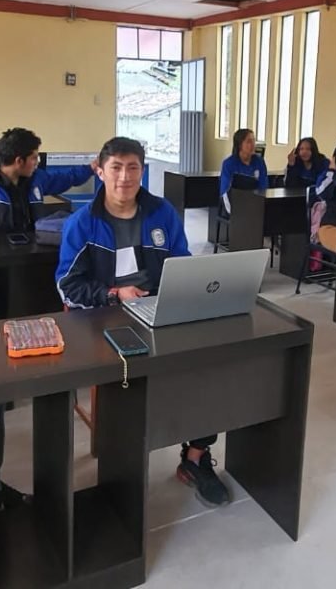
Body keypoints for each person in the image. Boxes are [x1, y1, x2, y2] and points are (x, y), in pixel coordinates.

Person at [54, 137, 231, 507]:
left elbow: (181, 263)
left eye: (132, 167)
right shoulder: (82, 224)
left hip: (157, 310)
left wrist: (184, 294)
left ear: (142, 171)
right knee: (129, 380)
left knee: (209, 361)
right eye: (116, 168)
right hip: (103, 317)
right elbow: (68, 286)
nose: (124, 177)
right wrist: (114, 294)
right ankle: (123, 468)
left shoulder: (161, 212)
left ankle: (196, 456)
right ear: (100, 172)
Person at [0, 127, 95, 320]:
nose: (37, 163)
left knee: (35, 306)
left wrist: (91, 168)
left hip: (28, 261)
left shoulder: (35, 179)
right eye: (34, 158)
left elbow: (65, 178)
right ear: (19, 161)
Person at [218, 128, 268, 215]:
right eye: (249, 141)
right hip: (236, 203)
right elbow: (225, 190)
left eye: (254, 141)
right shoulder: (229, 163)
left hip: (255, 202)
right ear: (240, 145)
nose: (253, 144)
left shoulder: (259, 161)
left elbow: (264, 186)